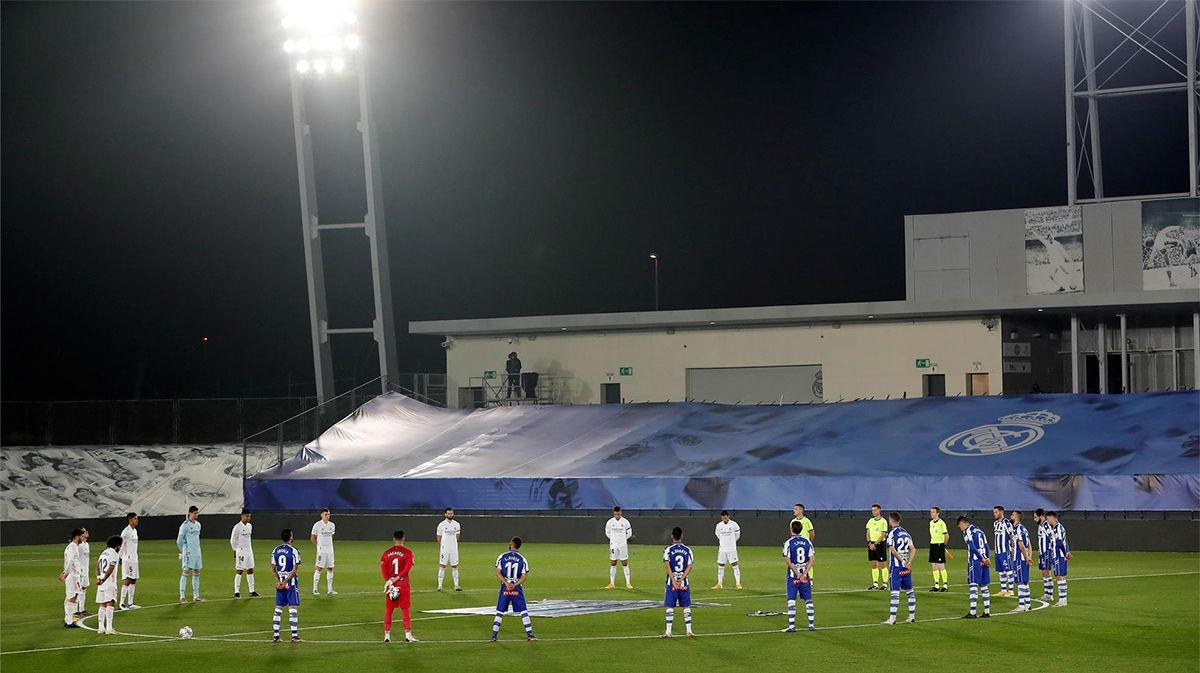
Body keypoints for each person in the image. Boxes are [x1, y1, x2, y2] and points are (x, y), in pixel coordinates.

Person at [491, 537, 536, 642]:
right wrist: (515, 584)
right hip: (517, 588)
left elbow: (498, 572)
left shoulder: (502, 556)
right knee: (523, 611)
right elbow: (524, 576)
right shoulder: (522, 559)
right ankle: (530, 635)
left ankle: (494, 636)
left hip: (505, 587)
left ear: (512, 544)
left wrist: (506, 583)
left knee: (500, 611)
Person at [380, 530, 417, 643]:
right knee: (405, 609)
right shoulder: (408, 552)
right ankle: (408, 635)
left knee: (389, 610)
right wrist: (396, 579)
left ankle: (387, 635)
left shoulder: (386, 553)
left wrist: (389, 582)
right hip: (403, 583)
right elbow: (407, 569)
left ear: (394, 539)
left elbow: (383, 568)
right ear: (403, 538)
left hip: (391, 584)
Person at [782, 520, 815, 632]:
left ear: (791, 529)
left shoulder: (788, 543)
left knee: (791, 600)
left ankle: (792, 626)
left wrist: (797, 574)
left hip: (793, 577)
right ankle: (811, 625)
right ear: (801, 529)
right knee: (808, 600)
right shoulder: (807, 542)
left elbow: (787, 559)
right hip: (805, 577)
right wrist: (805, 574)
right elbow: (812, 558)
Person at [883, 513, 916, 625]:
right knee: (910, 591)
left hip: (897, 567)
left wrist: (902, 561)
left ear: (891, 520)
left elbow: (892, 550)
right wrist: (909, 562)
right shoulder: (906, 533)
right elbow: (913, 549)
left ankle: (892, 619)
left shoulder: (892, 533)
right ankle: (911, 616)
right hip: (906, 567)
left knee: (895, 593)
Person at [661, 527, 695, 638]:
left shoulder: (668, 550)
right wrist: (681, 579)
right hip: (684, 583)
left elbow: (667, 567)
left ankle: (668, 632)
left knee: (670, 607)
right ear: (682, 536)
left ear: (672, 536)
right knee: (686, 607)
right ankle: (689, 631)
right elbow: (690, 566)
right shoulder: (688, 550)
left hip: (672, 583)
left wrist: (674, 580)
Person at [957, 515, 992, 618]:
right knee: (984, 585)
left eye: (960, 526)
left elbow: (972, 547)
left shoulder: (967, 532)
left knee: (973, 585)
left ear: (962, 524)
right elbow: (986, 546)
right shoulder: (980, 531)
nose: (960, 529)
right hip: (984, 560)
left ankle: (972, 612)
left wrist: (981, 558)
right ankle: (987, 611)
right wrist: (987, 558)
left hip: (975, 560)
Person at [271, 529, 301, 643]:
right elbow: (295, 569)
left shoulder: (276, 550)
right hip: (291, 583)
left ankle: (276, 636)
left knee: (278, 608)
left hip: (279, 583)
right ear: (291, 537)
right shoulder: (294, 550)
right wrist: (286, 581)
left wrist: (278, 581)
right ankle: (294, 636)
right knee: (292, 608)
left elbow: (273, 568)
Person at [94, 536, 122, 635]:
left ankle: (101, 627)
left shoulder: (103, 553)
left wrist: (98, 577)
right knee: (110, 603)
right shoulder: (114, 554)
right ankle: (109, 628)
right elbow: (111, 567)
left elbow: (97, 566)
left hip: (101, 583)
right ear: (117, 545)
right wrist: (104, 579)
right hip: (109, 582)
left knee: (102, 604)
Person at [59, 528, 85, 628]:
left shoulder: (70, 547)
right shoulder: (73, 547)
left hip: (73, 575)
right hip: (73, 576)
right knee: (72, 598)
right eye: (81, 537)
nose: (82, 539)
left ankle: (68, 619)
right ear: (77, 536)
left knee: (70, 598)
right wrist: (65, 573)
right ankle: (69, 622)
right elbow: (70, 561)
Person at [177, 506, 203, 603]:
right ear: (189, 513)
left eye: (197, 513)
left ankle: (196, 596)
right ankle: (182, 596)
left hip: (197, 552)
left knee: (197, 572)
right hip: (188, 552)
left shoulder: (198, 525)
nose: (196, 515)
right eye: (194, 513)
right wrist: (183, 551)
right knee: (186, 572)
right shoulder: (185, 525)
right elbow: (179, 541)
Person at [231, 508, 258, 598]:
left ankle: (252, 590)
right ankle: (236, 592)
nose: (248, 518)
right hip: (241, 550)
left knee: (250, 569)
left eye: (249, 516)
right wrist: (235, 550)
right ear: (242, 516)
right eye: (247, 516)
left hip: (249, 550)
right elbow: (232, 540)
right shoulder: (237, 527)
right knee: (240, 570)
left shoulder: (250, 526)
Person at [1046, 511, 1071, 606]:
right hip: (1058, 555)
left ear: (1053, 518)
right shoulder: (1058, 527)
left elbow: (1060, 542)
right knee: (1060, 576)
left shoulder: (1057, 527)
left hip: (1058, 555)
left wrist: (1065, 553)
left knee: (1059, 576)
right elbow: (1065, 541)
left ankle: (1063, 600)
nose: (1047, 521)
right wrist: (1067, 552)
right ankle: (1063, 599)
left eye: (1048, 518)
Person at [1009, 511, 1033, 612]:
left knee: (1020, 582)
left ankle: (1021, 605)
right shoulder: (1023, 529)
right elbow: (1030, 544)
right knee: (1025, 582)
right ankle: (1028, 604)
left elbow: (1021, 544)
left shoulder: (1018, 528)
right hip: (1024, 558)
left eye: (1012, 515)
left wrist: (1026, 557)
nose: (1010, 516)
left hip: (1019, 558)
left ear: (1017, 517)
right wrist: (1029, 557)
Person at [605, 506, 633, 589]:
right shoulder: (610, 522)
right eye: (616, 514)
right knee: (613, 563)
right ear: (613, 513)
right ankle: (612, 583)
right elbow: (607, 533)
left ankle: (628, 583)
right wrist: (613, 540)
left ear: (621, 513)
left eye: (618, 514)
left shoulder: (625, 522)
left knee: (624, 563)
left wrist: (623, 540)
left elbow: (629, 533)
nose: (617, 516)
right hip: (613, 545)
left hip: (623, 545)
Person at [712, 511, 741, 589]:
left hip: (732, 549)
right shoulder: (719, 526)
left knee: (735, 565)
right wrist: (724, 542)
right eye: (723, 518)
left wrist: (731, 542)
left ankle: (738, 583)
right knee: (721, 565)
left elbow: (737, 536)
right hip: (722, 549)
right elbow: (718, 535)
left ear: (728, 516)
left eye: (725, 517)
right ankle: (719, 584)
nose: (724, 519)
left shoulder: (734, 525)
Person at [310, 508, 336, 595]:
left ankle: (330, 589)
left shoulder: (332, 525)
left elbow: (331, 537)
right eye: (326, 514)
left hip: (330, 551)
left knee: (330, 568)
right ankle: (315, 589)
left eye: (328, 514)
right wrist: (319, 546)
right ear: (321, 515)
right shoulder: (317, 525)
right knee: (319, 568)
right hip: (322, 551)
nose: (327, 516)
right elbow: (313, 538)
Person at [436, 507, 462, 592]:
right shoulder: (441, 525)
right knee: (442, 566)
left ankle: (456, 585)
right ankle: (439, 586)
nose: (450, 515)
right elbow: (438, 538)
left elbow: (457, 537)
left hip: (454, 549)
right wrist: (444, 546)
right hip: (444, 549)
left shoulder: (457, 524)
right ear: (445, 514)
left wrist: (452, 544)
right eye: (448, 513)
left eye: (451, 513)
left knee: (455, 566)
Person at [119, 512, 141, 610]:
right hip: (127, 559)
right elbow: (121, 545)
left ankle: (131, 603)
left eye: (137, 518)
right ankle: (121, 603)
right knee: (127, 580)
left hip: (134, 558)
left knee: (133, 580)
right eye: (135, 519)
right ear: (130, 520)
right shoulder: (126, 532)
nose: (137, 520)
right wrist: (119, 557)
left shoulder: (134, 531)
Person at [992, 505, 1015, 596]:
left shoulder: (1007, 523)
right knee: (1001, 571)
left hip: (1005, 551)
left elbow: (1011, 536)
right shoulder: (996, 523)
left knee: (1009, 570)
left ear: (1001, 512)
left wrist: (1012, 547)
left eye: (996, 512)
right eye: (994, 512)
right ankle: (1003, 590)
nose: (994, 514)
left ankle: (1011, 590)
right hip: (998, 552)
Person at [866, 504, 888, 590]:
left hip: (879, 544)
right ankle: (875, 584)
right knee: (874, 564)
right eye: (872, 510)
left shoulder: (883, 521)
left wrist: (874, 544)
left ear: (879, 510)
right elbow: (868, 533)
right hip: (871, 544)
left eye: (875, 510)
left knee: (883, 564)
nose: (873, 512)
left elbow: (883, 534)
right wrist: (869, 543)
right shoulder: (870, 521)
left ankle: (885, 584)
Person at [790, 504, 815, 581]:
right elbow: (791, 534)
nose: (794, 511)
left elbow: (812, 533)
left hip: (805, 545)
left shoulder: (807, 521)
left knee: (808, 562)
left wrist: (808, 542)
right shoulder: (793, 521)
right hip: (796, 545)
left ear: (801, 510)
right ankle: (797, 577)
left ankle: (809, 579)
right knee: (796, 562)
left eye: (795, 509)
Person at [1034, 508, 1055, 599]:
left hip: (1047, 552)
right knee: (1044, 571)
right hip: (1042, 552)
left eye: (1035, 517)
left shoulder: (1046, 525)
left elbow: (1052, 537)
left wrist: (1051, 550)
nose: (1034, 519)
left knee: (1047, 571)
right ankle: (1047, 593)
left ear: (1041, 516)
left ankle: (1049, 595)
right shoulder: (1041, 525)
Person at [928, 506, 949, 592]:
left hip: (939, 545)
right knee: (934, 565)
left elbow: (947, 536)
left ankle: (945, 585)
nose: (931, 513)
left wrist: (943, 545)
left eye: (933, 512)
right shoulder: (931, 523)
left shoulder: (942, 523)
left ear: (937, 513)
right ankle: (936, 585)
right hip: (932, 545)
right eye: (931, 512)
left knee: (941, 565)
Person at [75, 528, 91, 617]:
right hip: (80, 570)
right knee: (79, 589)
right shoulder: (79, 545)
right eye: (85, 531)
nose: (87, 532)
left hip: (85, 570)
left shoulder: (87, 544)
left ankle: (81, 609)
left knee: (84, 588)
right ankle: (76, 610)